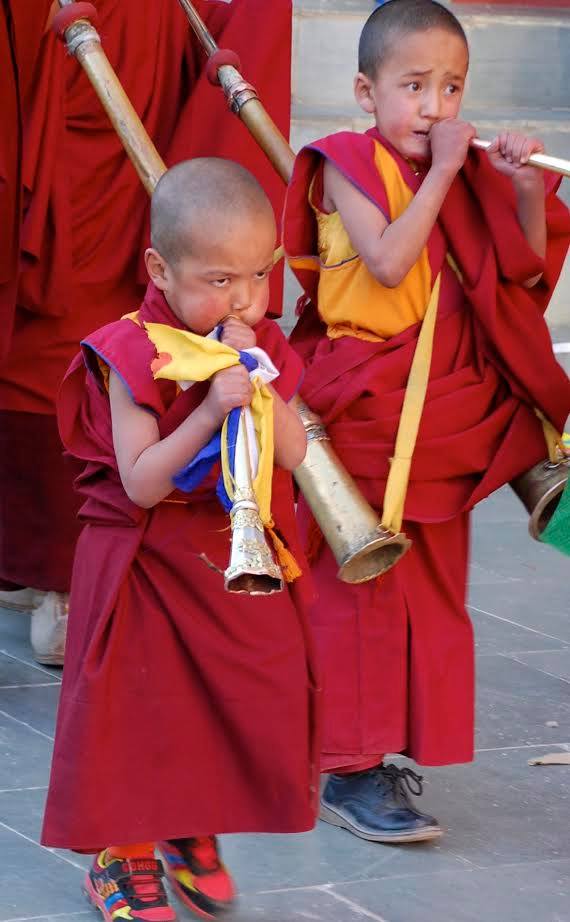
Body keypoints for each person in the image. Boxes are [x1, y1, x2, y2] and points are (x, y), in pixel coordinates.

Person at [283, 0, 570, 844]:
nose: (437, 108)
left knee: (431, 589)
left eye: (452, 88)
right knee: (360, 591)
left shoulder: (459, 170)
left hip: (441, 402)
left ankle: (389, 747)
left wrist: (520, 186)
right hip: (365, 401)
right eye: (415, 87)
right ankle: (347, 764)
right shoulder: (344, 162)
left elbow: (514, 281)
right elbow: (387, 258)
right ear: (366, 92)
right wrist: (447, 172)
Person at [41, 158, 319, 921]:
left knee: (233, 694)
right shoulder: (128, 352)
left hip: (225, 556)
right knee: (138, 706)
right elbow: (139, 480)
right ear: (159, 270)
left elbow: (293, 455)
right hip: (141, 560)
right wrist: (204, 412)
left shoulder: (255, 348)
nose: (244, 299)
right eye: (219, 280)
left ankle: (188, 825)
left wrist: (261, 392)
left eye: (257, 278)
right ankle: (119, 853)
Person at [0, 0, 293, 665]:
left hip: (144, 46)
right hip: (48, 50)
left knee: (122, 311)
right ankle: (42, 564)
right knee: (48, 329)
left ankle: (71, 582)